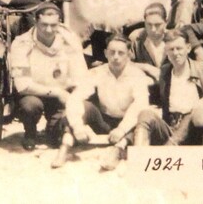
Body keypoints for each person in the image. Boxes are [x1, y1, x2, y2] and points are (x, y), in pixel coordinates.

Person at [55, 34, 150, 171]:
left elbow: (140, 104)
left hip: (128, 123)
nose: (116, 57)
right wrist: (77, 126)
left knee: (143, 116)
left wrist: (122, 129)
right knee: (84, 106)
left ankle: (118, 150)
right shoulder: (97, 72)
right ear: (105, 53)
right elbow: (75, 97)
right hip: (104, 121)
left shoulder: (137, 75)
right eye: (112, 52)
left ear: (129, 54)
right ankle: (64, 149)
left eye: (121, 53)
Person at [9, 2, 88, 150]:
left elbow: (81, 77)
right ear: (36, 21)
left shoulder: (70, 41)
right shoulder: (21, 43)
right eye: (44, 25)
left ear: (60, 23)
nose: (49, 30)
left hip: (62, 94)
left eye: (53, 25)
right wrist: (57, 92)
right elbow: (22, 85)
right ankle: (30, 133)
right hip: (34, 93)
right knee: (29, 107)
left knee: (56, 139)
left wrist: (73, 102)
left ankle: (52, 128)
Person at [133, 29, 203, 146]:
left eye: (179, 48)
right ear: (166, 51)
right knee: (145, 115)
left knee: (194, 111)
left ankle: (169, 149)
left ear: (188, 48)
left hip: (197, 130)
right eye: (171, 49)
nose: (175, 53)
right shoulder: (165, 72)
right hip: (171, 126)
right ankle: (140, 158)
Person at [128, 2, 169, 81]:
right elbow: (124, 63)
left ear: (166, 23)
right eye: (149, 24)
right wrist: (146, 67)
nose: (153, 29)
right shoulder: (136, 38)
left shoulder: (175, 39)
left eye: (157, 25)